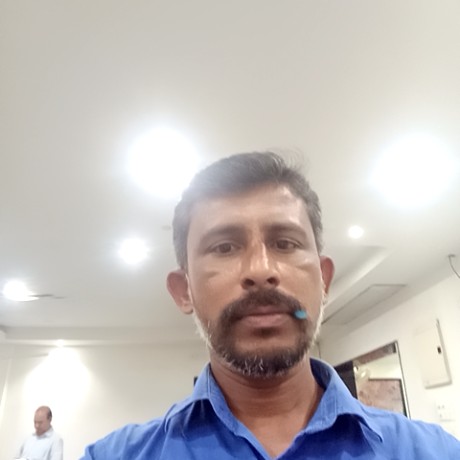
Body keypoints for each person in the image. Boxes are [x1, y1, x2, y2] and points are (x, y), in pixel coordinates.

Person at [81, 152, 460, 459]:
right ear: (184, 291)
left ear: (324, 280)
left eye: (285, 243)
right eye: (224, 247)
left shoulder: (436, 453)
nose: (261, 271)